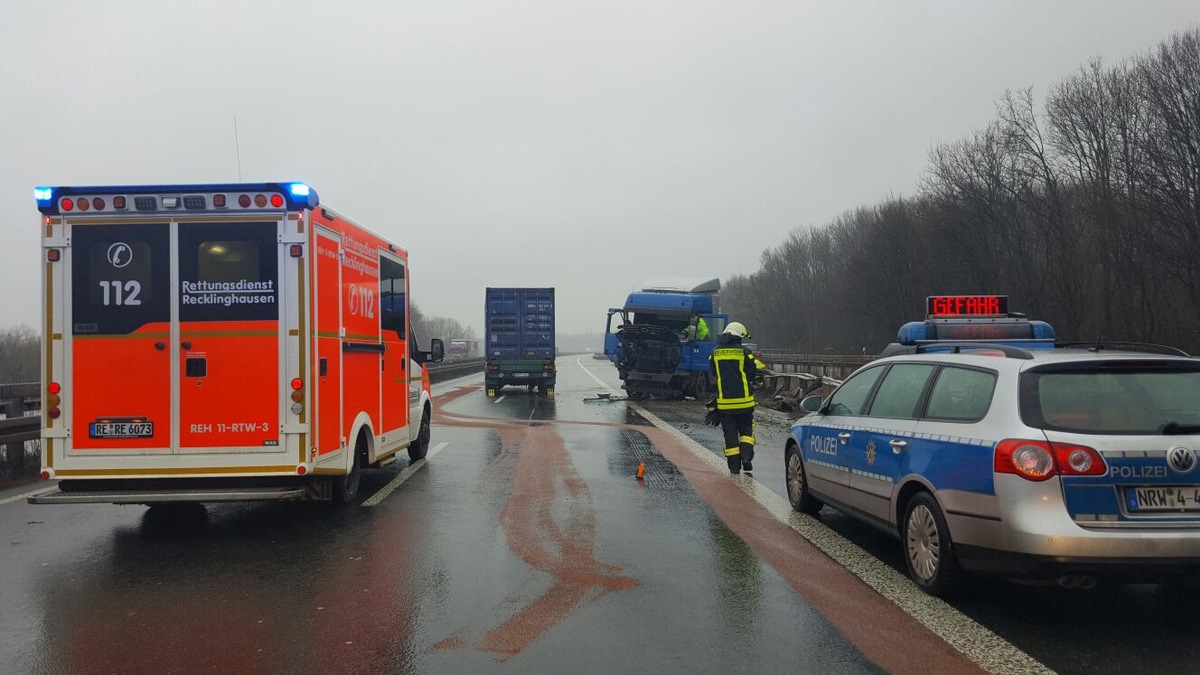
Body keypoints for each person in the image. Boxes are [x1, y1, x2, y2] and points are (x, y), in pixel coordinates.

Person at [708, 321, 767, 474]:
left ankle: (734, 466)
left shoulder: (715, 353)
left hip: (725, 404)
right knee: (746, 430)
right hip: (745, 403)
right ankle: (746, 456)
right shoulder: (745, 351)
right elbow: (752, 373)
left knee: (730, 433)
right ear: (739, 337)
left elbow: (713, 375)